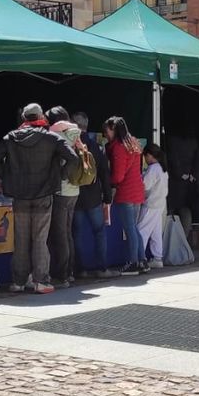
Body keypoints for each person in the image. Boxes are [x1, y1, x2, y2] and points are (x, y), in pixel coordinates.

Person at [0, 103, 78, 294]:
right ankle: (41, 281)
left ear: (24, 118)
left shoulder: (10, 138)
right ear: (40, 117)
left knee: (20, 239)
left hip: (20, 196)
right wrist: (59, 176)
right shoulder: (51, 138)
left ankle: (18, 282)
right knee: (40, 239)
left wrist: (7, 176)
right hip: (44, 195)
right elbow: (73, 158)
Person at [46, 107, 91, 288]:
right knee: (67, 232)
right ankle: (70, 271)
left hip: (62, 191)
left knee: (60, 234)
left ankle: (63, 274)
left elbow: (68, 159)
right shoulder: (75, 133)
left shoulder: (60, 135)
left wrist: (61, 175)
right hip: (74, 190)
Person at [105, 116, 148, 275]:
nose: (106, 134)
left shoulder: (119, 147)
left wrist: (107, 180)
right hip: (137, 191)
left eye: (107, 130)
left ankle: (133, 263)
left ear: (113, 129)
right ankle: (142, 261)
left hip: (125, 193)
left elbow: (118, 176)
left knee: (129, 229)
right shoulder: (134, 143)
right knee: (134, 228)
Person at [71, 112, 112, 278]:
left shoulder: (70, 144)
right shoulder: (94, 146)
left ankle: (80, 269)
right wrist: (107, 196)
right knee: (99, 231)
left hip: (74, 196)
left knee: (76, 233)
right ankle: (102, 268)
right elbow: (104, 172)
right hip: (94, 196)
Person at [164, 131, 199, 233]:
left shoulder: (172, 141)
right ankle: (183, 239)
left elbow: (172, 159)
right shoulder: (193, 142)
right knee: (185, 210)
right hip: (189, 182)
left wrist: (180, 174)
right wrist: (193, 176)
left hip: (175, 182)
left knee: (172, 211)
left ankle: (172, 238)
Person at [139, 143, 169, 269]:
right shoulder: (162, 168)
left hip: (151, 203)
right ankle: (157, 258)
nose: (145, 160)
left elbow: (144, 186)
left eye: (145, 156)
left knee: (141, 230)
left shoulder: (153, 169)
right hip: (160, 203)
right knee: (155, 232)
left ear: (149, 155)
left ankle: (140, 259)